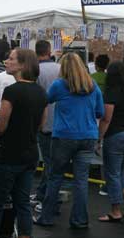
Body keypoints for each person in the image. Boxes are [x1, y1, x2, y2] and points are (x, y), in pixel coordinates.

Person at [0, 48, 47, 238]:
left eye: (10, 58)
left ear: (22, 65)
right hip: (30, 153)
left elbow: (1, 124)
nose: (6, 61)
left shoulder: (12, 91)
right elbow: (41, 123)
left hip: (9, 154)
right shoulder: (40, 92)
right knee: (23, 205)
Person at [36, 52, 103, 228]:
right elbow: (100, 112)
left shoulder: (59, 85)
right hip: (88, 136)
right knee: (81, 180)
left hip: (64, 136)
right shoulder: (92, 85)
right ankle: (80, 220)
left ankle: (47, 217)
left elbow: (45, 100)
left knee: (55, 176)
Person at [96, 61, 124, 222]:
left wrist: (99, 138)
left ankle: (116, 210)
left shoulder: (111, 93)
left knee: (112, 173)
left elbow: (106, 118)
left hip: (116, 136)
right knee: (121, 170)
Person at [33, 40, 60, 205]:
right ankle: (43, 193)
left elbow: (34, 97)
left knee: (49, 162)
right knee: (53, 162)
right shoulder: (61, 69)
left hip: (44, 122)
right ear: (49, 51)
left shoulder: (35, 71)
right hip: (61, 121)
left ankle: (48, 197)